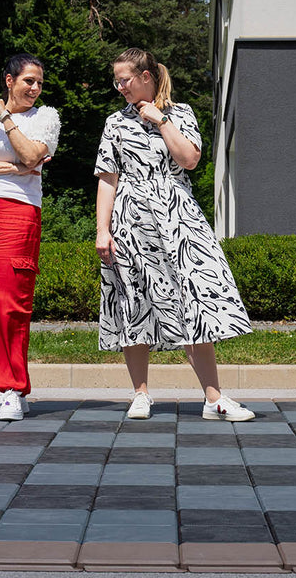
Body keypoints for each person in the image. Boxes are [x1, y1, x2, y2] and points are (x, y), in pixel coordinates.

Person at [93, 47, 254, 421]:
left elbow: (190, 160)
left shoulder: (181, 114)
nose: (120, 87)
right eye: (116, 81)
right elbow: (107, 179)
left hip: (178, 215)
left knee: (194, 298)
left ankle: (213, 399)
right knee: (133, 300)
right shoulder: (115, 123)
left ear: (146, 76)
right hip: (131, 219)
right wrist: (103, 230)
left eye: (125, 80)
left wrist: (161, 121)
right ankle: (140, 394)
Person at [0, 54, 61, 421]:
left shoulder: (45, 117)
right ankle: (2, 385)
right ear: (9, 80)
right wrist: (14, 168)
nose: (34, 88)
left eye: (38, 82)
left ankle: (16, 390)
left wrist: (6, 117)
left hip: (18, 211)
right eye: (28, 81)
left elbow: (33, 154)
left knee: (12, 301)